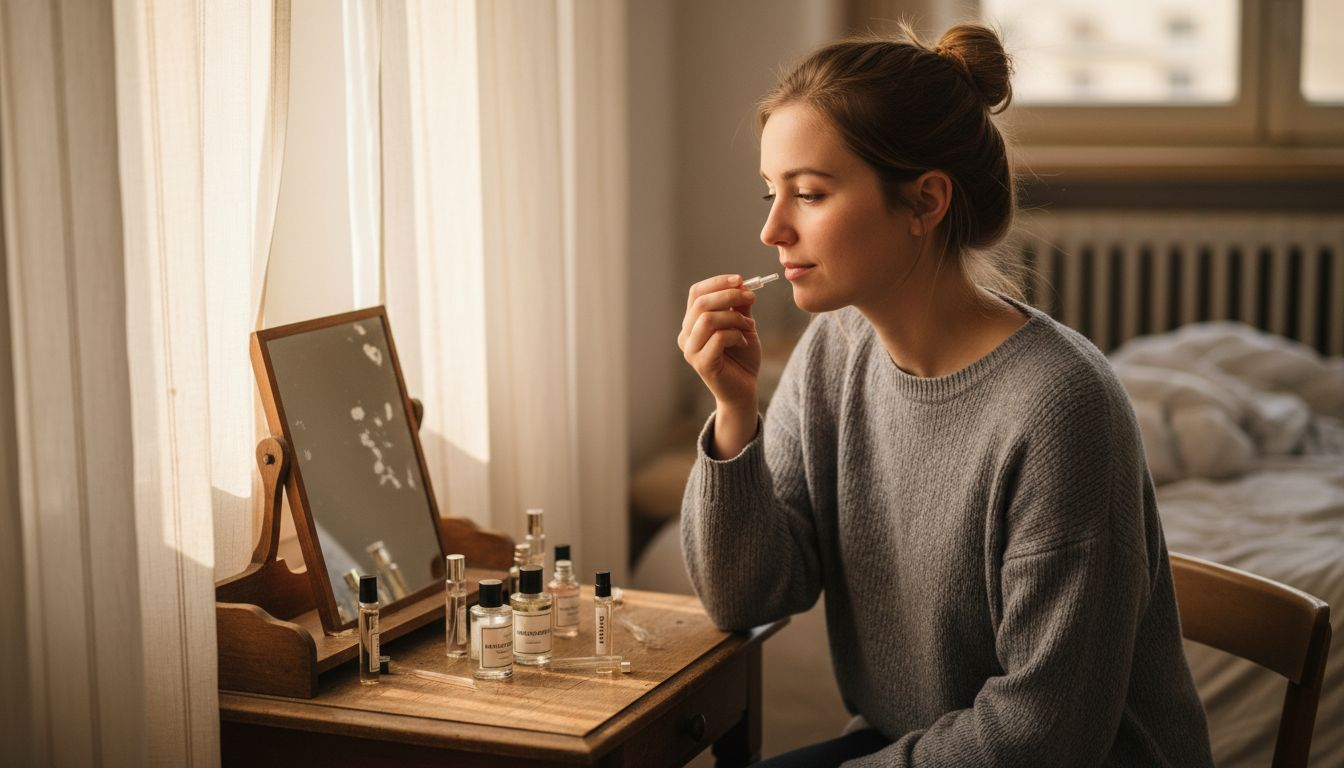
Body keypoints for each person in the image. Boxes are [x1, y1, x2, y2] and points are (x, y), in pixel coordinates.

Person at [676, 23, 1215, 767]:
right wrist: (734, 416)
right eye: (771, 192)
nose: (773, 228)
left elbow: (1046, 734)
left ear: (925, 201)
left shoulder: (1061, 409)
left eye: (809, 193)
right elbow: (748, 598)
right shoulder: (835, 351)